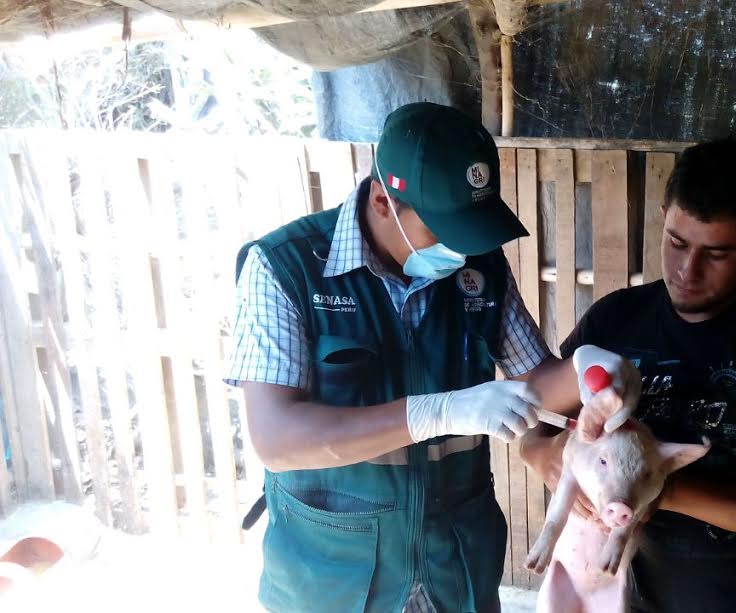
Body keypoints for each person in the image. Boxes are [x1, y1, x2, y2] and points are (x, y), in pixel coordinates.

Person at [224, 102, 639, 613]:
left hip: (455, 562)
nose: (460, 251)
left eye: (470, 230)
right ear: (381, 201)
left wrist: (585, 370)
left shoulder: (479, 267)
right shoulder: (285, 269)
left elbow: (534, 380)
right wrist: (439, 411)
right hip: (334, 573)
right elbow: (278, 440)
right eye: (442, 229)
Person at [521, 138, 736, 612]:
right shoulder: (613, 321)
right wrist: (542, 454)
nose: (687, 270)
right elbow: (537, 421)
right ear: (664, 213)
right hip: (625, 597)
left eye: (716, 253)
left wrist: (659, 490)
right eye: (676, 241)